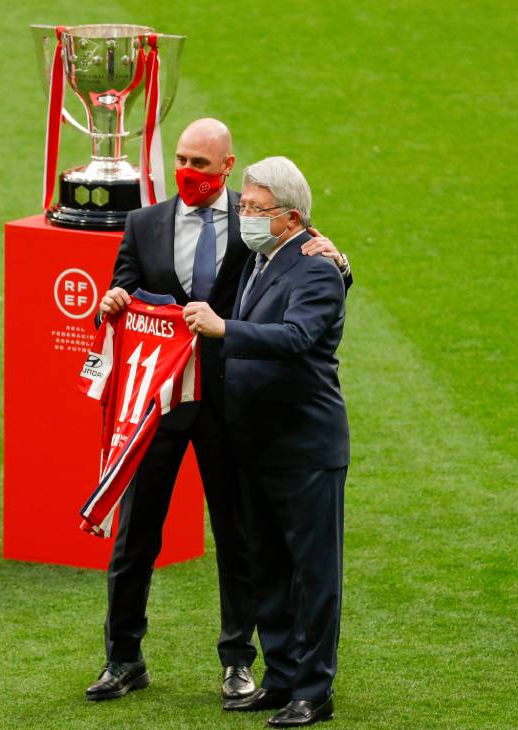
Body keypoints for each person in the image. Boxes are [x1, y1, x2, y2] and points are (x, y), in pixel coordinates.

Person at [87, 118, 352, 703]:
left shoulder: (256, 219)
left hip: (228, 402)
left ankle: (239, 660)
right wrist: (112, 302)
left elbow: (303, 271)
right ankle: (122, 656)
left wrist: (342, 261)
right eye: (181, 158)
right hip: (159, 402)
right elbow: (124, 292)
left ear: (227, 166)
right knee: (136, 535)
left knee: (238, 537)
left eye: (201, 163)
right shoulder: (143, 223)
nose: (188, 171)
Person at [183, 156, 350, 727]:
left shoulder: (316, 268)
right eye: (245, 207)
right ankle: (281, 678)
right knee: (270, 570)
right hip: (255, 445)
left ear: (292, 217)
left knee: (313, 573)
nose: (245, 217)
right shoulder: (259, 259)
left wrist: (225, 328)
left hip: (303, 447)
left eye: (256, 210)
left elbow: (299, 336)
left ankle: (314, 690)